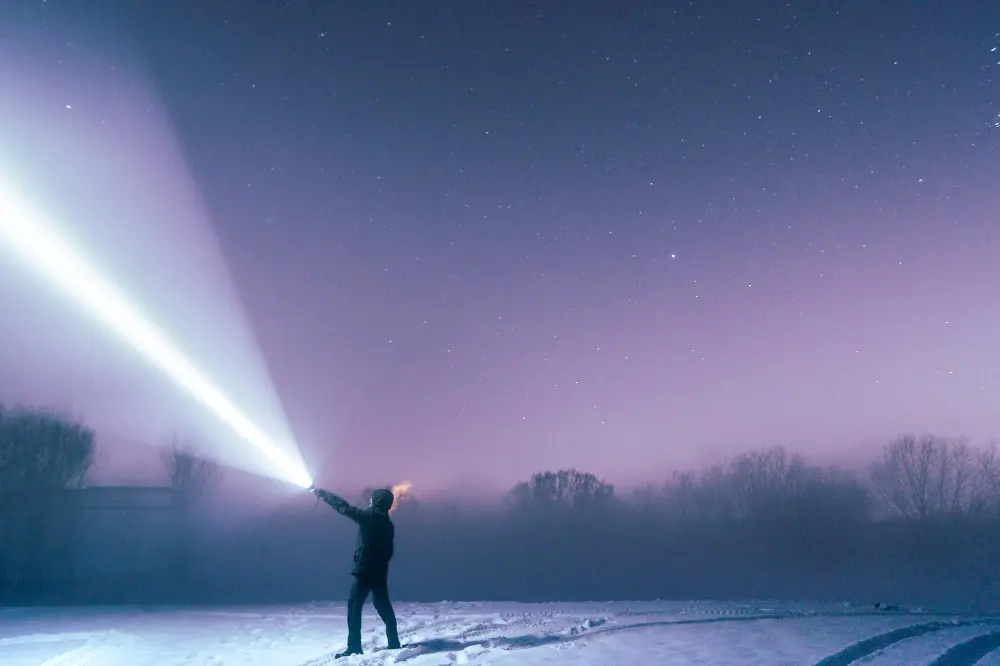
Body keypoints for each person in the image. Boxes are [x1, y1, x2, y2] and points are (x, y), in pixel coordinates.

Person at [310, 485, 401, 658]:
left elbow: (343, 507)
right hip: (380, 572)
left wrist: (323, 494)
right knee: (383, 605)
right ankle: (394, 642)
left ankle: (354, 647)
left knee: (354, 606)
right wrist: (380, 566)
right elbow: (389, 551)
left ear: (376, 502)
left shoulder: (367, 517)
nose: (370, 501)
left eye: (373, 499)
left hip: (363, 571)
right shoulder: (388, 524)